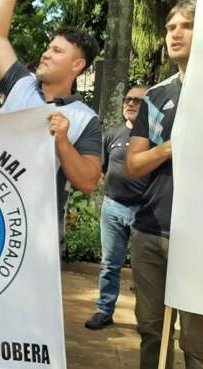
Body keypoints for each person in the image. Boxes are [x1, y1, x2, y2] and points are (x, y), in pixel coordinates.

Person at [125, 1, 203, 367]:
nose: (175, 33)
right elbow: (135, 163)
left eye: (186, 26)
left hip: (197, 237)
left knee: (197, 341)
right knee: (152, 332)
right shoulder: (156, 96)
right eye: (171, 27)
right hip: (151, 230)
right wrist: (173, 147)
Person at [0, 0, 103, 233]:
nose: (45, 55)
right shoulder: (19, 83)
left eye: (57, 51)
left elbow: (89, 182)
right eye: (48, 48)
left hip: (39, 233)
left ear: (77, 64)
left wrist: (63, 142)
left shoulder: (85, 119)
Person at [84, 86, 149, 330]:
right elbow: (101, 168)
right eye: (128, 99)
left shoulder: (156, 136)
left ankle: (146, 319)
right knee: (110, 264)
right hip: (112, 209)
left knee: (144, 271)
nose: (130, 104)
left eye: (137, 101)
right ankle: (104, 311)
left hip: (145, 211)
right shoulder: (113, 133)